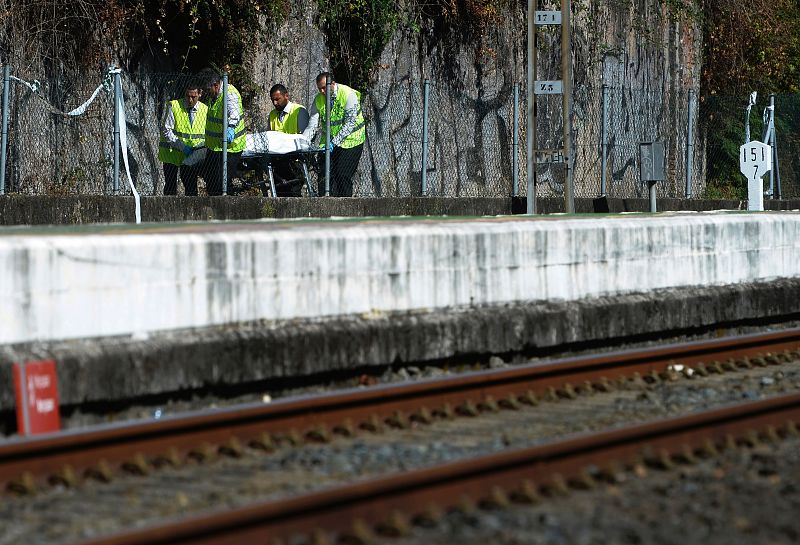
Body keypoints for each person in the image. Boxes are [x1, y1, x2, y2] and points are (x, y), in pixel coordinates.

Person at [302, 72, 365, 197]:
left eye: (324, 87)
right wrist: (303, 142)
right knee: (324, 176)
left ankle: (346, 208)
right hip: (330, 142)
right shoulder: (318, 100)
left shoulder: (347, 94)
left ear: (333, 84)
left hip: (352, 140)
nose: (322, 91)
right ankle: (326, 208)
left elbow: (350, 123)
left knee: (342, 175)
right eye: (319, 88)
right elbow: (312, 125)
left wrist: (333, 143)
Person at [198, 67, 246, 196]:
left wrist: (231, 127)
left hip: (230, 146)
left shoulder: (229, 93)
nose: (206, 93)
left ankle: (228, 208)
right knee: (210, 180)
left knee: (223, 181)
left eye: (208, 90)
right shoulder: (214, 95)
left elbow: (234, 113)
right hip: (215, 146)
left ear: (216, 85)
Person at [158, 82, 207, 196]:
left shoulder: (205, 110)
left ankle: (192, 211)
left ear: (200, 94)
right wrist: (182, 147)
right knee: (170, 185)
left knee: (191, 186)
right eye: (188, 96)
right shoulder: (174, 106)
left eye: (193, 97)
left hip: (192, 155)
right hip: (172, 153)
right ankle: (169, 211)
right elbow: (166, 130)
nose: (190, 100)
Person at [268, 84, 309, 196]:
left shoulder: (299, 111)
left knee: (293, 191)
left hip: (295, 158)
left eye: (277, 99)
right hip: (278, 158)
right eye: (272, 100)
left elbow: (304, 138)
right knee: (279, 190)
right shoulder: (272, 115)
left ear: (286, 96)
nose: (275, 103)